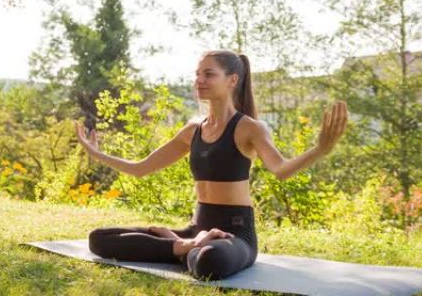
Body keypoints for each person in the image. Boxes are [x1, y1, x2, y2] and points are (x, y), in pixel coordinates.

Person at [74, 50, 348, 281]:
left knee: (209, 262)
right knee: (99, 238)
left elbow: (281, 170)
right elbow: (140, 168)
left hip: (235, 234)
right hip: (196, 229)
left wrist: (320, 149)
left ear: (232, 80)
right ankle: (183, 246)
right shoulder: (192, 130)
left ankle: (182, 248)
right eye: (197, 74)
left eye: (209, 74)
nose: (199, 81)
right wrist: (96, 153)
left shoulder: (249, 128)